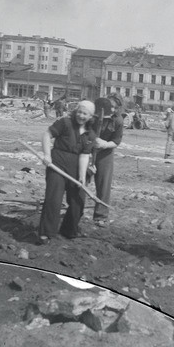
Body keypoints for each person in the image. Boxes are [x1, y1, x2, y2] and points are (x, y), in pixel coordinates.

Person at [38, 100, 97, 244]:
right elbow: (47, 135)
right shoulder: (65, 123)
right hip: (57, 165)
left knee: (78, 201)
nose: (81, 116)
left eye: (85, 114)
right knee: (53, 200)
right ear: (76, 111)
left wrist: (82, 176)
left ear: (90, 116)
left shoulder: (91, 135)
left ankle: (69, 230)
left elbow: (84, 156)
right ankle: (47, 233)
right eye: (80, 112)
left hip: (75, 169)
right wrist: (47, 155)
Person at [91, 97, 123, 227]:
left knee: (103, 185)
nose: (113, 109)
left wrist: (105, 144)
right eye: (111, 106)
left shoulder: (118, 120)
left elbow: (116, 141)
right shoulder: (93, 116)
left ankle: (101, 216)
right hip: (88, 151)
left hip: (105, 154)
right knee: (81, 181)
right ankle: (75, 212)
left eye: (116, 107)